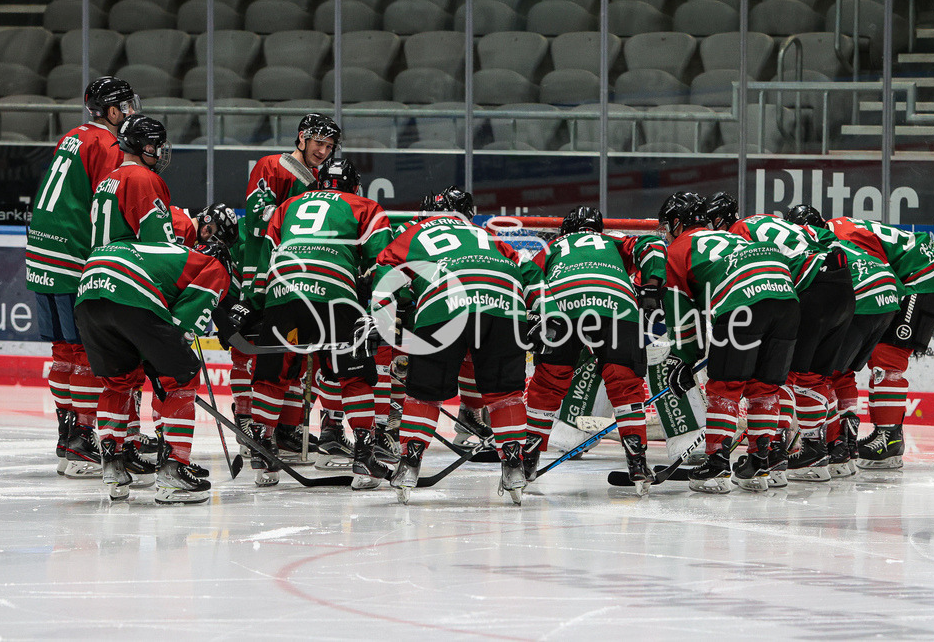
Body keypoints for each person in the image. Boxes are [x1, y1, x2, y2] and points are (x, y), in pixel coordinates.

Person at [373, 187, 543, 505]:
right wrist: (543, 313)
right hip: (503, 304)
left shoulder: (416, 231)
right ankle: (513, 466)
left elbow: (386, 272)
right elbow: (530, 272)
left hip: (443, 303)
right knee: (505, 396)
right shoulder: (488, 236)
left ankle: (409, 465)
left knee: (424, 394)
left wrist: (398, 314)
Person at [243, 158, 392, 489]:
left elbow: (266, 258)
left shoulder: (286, 207)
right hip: (334, 296)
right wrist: (385, 304)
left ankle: (262, 452)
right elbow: (382, 262)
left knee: (274, 373)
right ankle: (364, 455)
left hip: (283, 294)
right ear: (354, 187)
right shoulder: (365, 206)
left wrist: (254, 306)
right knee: (352, 374)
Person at [26, 76, 140, 478]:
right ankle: (85, 438)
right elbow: (109, 202)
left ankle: (67, 436)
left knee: (63, 350)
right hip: (73, 254)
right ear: (111, 111)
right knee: (89, 352)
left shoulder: (73, 136)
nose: (131, 112)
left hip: (42, 252)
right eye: (126, 106)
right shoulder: (108, 144)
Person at [650, 192, 800, 494]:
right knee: (764, 387)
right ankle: (761, 463)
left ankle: (716, 465)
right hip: (787, 297)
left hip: (743, 302)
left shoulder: (677, 250)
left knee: (724, 386)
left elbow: (682, 317)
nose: (666, 233)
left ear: (678, 223)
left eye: (668, 225)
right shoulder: (733, 238)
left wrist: (685, 360)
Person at [704, 192, 856, 484]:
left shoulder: (737, 235)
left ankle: (775, 453)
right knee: (813, 376)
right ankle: (818, 451)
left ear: (719, 220)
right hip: (841, 284)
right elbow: (828, 243)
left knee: (780, 376)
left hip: (811, 287)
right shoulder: (769, 222)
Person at [787, 205, 934, 469]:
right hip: (914, 273)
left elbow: (877, 273)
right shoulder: (835, 231)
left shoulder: (838, 238)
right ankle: (885, 434)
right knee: (878, 355)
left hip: (922, 276)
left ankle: (889, 438)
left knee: (888, 356)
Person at [74, 239, 232, 503]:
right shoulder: (215, 266)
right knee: (183, 376)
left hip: (88, 291)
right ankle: (173, 469)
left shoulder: (170, 255)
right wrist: (163, 366)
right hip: (128, 288)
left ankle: (114, 467)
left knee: (118, 382)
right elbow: (182, 326)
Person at [522, 206, 661, 494]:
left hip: (564, 304)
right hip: (617, 305)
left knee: (548, 383)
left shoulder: (554, 245)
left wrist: (535, 310)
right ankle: (637, 462)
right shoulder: (615, 240)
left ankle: (528, 458)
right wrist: (651, 287)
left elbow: (528, 271)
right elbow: (653, 244)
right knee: (625, 384)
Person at [235, 113, 342, 455]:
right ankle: (249, 422)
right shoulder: (272, 166)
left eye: (329, 146)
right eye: (318, 143)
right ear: (301, 138)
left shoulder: (320, 180)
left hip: (296, 282)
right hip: (262, 277)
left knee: (298, 361)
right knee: (266, 359)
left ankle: (287, 428)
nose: (323, 151)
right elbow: (258, 221)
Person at [90, 114, 175, 247]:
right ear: (147, 148)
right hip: (124, 264)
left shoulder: (106, 180)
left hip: (97, 261)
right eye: (158, 146)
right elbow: (161, 245)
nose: (159, 155)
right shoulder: (143, 179)